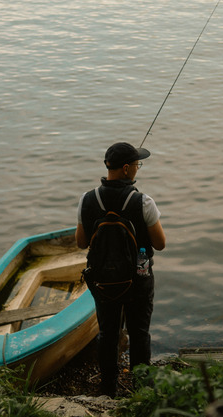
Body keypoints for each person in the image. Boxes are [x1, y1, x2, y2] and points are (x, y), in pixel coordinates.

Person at [75, 142, 166, 397]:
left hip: (103, 280)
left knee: (107, 333)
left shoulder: (87, 199)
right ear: (126, 169)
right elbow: (160, 244)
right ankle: (141, 392)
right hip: (138, 279)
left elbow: (81, 243)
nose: (138, 168)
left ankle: (108, 390)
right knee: (139, 333)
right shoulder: (143, 202)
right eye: (137, 164)